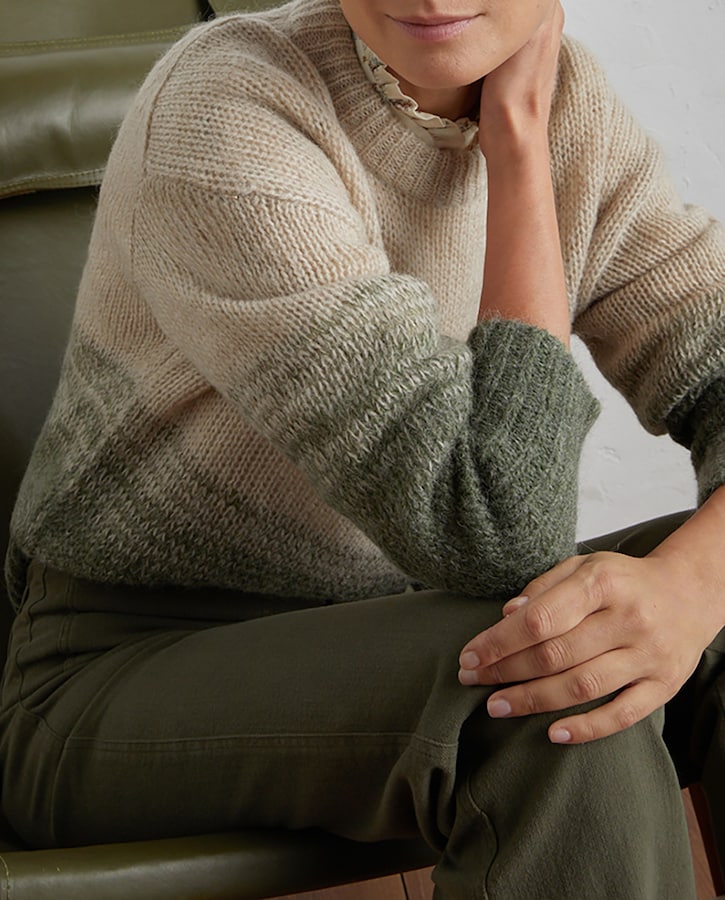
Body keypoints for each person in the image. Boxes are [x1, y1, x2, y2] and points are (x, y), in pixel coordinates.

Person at [1, 0, 724, 896]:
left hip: (396, 629)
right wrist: (519, 153)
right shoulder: (225, 108)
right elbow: (495, 527)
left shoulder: (574, 108)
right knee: (548, 683)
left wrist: (692, 587)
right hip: (117, 677)